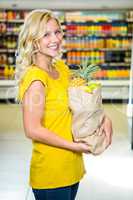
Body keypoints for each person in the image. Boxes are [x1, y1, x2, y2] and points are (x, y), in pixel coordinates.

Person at [15, 9, 113, 200]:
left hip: (71, 167)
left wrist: (104, 118)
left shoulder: (60, 67)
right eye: (46, 34)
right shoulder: (36, 79)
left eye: (57, 32)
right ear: (33, 39)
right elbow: (32, 129)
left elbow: (80, 102)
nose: (55, 39)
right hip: (52, 172)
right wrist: (75, 147)